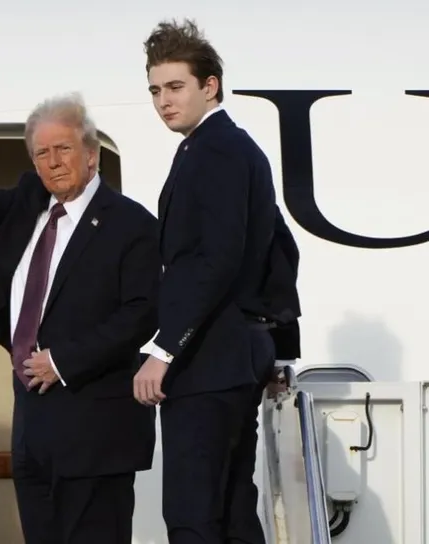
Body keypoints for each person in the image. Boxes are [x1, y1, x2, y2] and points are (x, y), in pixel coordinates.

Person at [0, 81, 160, 544]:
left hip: (95, 429)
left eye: (63, 149)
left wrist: (63, 360)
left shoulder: (132, 224)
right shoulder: (29, 201)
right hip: (32, 427)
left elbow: (141, 315)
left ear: (92, 155)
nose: (53, 161)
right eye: (42, 153)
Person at [133, 19, 300, 544]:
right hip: (237, 355)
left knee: (194, 514)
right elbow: (281, 249)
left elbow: (216, 260)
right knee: (230, 510)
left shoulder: (215, 150)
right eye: (155, 90)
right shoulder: (233, 148)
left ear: (211, 86)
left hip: (209, 357)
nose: (164, 101)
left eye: (175, 86)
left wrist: (164, 348)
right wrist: (277, 349)